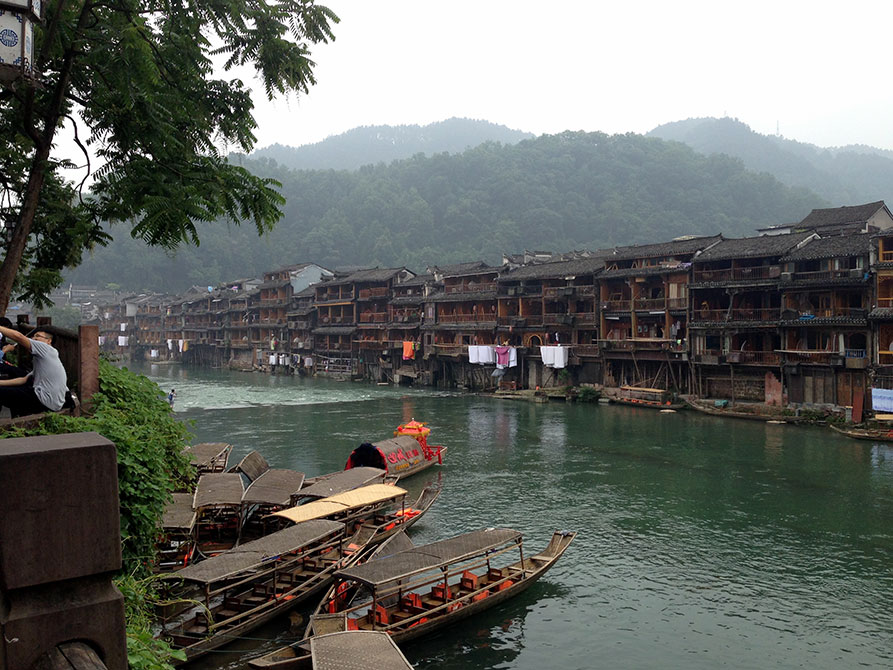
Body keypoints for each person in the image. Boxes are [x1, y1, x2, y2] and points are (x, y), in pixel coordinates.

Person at [0, 325, 68, 418]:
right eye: (33, 336)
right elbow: (23, 379)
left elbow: (19, 337)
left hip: (44, 401)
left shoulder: (46, 349)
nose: (34, 338)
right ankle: (16, 422)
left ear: (49, 341)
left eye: (38, 336)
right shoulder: (44, 358)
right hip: (48, 401)